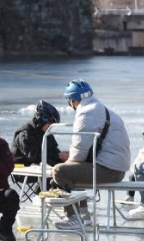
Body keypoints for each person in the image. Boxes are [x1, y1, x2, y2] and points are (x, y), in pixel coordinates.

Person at [51, 79, 131, 230]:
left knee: (60, 171)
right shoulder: (99, 107)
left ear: (71, 99)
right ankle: (84, 214)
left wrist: (67, 163)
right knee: (73, 171)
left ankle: (72, 217)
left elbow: (79, 149)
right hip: (116, 168)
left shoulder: (86, 113)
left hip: (109, 170)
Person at [11, 100, 65, 167]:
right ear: (41, 120)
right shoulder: (25, 134)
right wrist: (58, 156)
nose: (51, 126)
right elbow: (34, 157)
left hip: (40, 168)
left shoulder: (46, 133)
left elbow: (54, 150)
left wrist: (64, 158)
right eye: (50, 123)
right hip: (23, 171)